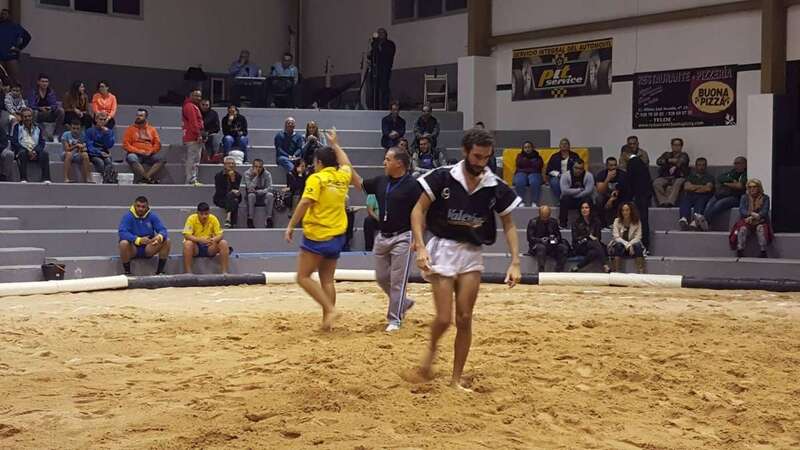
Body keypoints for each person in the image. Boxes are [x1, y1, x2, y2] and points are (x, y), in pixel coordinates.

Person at [408, 128, 522, 390]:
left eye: (486, 158)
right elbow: (418, 209)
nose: (481, 163)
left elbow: (509, 225)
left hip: (472, 252)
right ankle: (432, 349)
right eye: (477, 156)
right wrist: (420, 246)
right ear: (465, 152)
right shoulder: (442, 176)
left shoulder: (494, 186)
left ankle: (456, 379)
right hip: (443, 249)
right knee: (445, 318)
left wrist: (515, 261)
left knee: (465, 317)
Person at [284, 129, 361, 331]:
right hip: (337, 235)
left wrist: (291, 225)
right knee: (327, 279)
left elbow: (304, 203)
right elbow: (347, 164)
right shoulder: (342, 176)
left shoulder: (317, 179)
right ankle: (328, 321)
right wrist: (335, 144)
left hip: (318, 235)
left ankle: (329, 309)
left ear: (319, 163)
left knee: (302, 277)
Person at [361, 147, 420, 331]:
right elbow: (359, 182)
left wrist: (418, 239)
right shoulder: (381, 181)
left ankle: (394, 319)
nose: (384, 162)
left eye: (387, 159)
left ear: (399, 163)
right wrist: (340, 152)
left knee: (397, 280)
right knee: (381, 277)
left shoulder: (412, 185)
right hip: (383, 236)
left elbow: (420, 213)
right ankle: (403, 302)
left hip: (403, 236)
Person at [117, 196, 170, 275]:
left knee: (167, 241)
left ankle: (160, 272)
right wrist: (139, 240)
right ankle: (127, 272)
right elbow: (122, 232)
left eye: (143, 207)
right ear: (134, 206)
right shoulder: (128, 216)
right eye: (138, 206)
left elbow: (163, 230)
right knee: (123, 243)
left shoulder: (152, 216)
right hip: (133, 248)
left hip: (148, 248)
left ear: (147, 207)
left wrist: (159, 237)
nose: (140, 209)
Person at [695, 156, 747, 231]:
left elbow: (740, 186)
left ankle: (703, 222)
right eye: (735, 163)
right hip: (723, 194)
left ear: (744, 164)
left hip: (736, 197)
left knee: (719, 204)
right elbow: (720, 178)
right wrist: (731, 182)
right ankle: (704, 223)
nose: (736, 165)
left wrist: (726, 183)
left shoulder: (745, 174)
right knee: (709, 204)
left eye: (738, 163)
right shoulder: (732, 172)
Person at [182, 202, 231, 274]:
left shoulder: (213, 218)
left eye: (206, 214)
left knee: (224, 243)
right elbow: (186, 235)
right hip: (196, 247)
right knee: (188, 244)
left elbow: (220, 235)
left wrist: (213, 240)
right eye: (201, 214)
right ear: (197, 213)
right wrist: (200, 240)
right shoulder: (191, 218)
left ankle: (224, 273)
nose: (204, 216)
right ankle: (188, 273)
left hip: (210, 246)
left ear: (209, 213)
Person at [730, 179, 771, 258]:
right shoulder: (744, 197)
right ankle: (740, 250)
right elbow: (742, 210)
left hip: (760, 220)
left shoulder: (765, 198)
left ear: (759, 187)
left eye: (754, 187)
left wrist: (754, 216)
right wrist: (751, 214)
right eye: (750, 187)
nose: (752, 189)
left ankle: (763, 251)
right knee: (742, 229)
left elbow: (764, 211)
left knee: (761, 229)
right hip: (746, 220)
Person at [123, 108, 163, 184]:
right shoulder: (130, 129)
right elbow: (126, 145)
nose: (138, 117)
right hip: (136, 154)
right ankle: (148, 179)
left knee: (162, 159)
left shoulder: (152, 129)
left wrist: (151, 151)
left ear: (145, 117)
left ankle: (145, 178)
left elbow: (157, 144)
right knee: (131, 157)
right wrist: (139, 151)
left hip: (149, 154)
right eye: (137, 115)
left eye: (141, 116)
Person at [11, 107, 49, 183]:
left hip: (35, 152)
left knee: (45, 154)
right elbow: (14, 142)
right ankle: (23, 178)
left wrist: (35, 151)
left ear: (32, 117)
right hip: (22, 151)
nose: (27, 118)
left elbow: (42, 142)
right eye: (25, 116)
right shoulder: (17, 127)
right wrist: (27, 150)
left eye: (29, 116)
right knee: (22, 153)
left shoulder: (38, 128)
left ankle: (46, 178)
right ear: (22, 118)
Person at [571, 201, 610, 273]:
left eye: (586, 207)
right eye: (582, 208)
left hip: (593, 246)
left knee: (594, 251)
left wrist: (591, 238)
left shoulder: (596, 221)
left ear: (590, 209)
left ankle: (577, 267)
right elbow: (575, 239)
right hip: (580, 245)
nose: (584, 210)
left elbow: (598, 237)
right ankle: (605, 265)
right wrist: (588, 236)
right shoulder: (576, 222)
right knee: (595, 244)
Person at [527, 206, 568, 272]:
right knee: (541, 248)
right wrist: (540, 240)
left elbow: (559, 236)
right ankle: (541, 271)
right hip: (537, 245)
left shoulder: (553, 222)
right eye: (543, 217)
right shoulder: (533, 222)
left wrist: (555, 240)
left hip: (551, 245)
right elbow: (530, 238)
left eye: (547, 216)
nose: (545, 219)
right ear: (540, 214)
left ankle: (559, 270)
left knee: (563, 248)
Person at [608, 202, 646, 273]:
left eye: (627, 210)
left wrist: (630, 244)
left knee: (637, 245)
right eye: (623, 210)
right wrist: (627, 245)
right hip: (621, 246)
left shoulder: (637, 221)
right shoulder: (617, 221)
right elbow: (616, 237)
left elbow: (638, 237)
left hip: (633, 248)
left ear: (631, 211)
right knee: (618, 245)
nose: (625, 212)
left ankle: (641, 271)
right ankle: (616, 271)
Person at [678, 157, 715, 230]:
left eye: (703, 165)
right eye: (699, 165)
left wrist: (693, 188)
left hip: (703, 196)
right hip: (691, 196)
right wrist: (701, 187)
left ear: (706, 166)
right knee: (685, 200)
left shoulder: (709, 177)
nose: (701, 167)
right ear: (696, 166)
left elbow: (708, 188)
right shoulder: (691, 176)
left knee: (700, 200)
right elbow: (686, 187)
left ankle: (695, 221)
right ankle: (684, 219)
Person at [626, 154, 653, 250]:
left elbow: (629, 184)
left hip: (635, 198)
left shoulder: (631, 165)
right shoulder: (642, 166)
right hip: (644, 197)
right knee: (643, 220)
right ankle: (645, 245)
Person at [652, 138, 690, 207]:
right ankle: (663, 202)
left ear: (681, 146)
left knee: (677, 183)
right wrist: (669, 160)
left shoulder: (684, 155)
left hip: (678, 177)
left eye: (678, 145)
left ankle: (670, 202)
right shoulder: (666, 154)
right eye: (674, 145)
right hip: (665, 177)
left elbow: (682, 161)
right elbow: (659, 161)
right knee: (656, 183)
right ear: (671, 146)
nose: (676, 147)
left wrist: (675, 166)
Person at [27, 73, 64, 141]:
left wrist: (50, 108)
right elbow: (31, 105)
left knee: (61, 111)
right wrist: (40, 108)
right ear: (38, 82)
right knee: (33, 112)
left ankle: (55, 135)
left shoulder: (50, 92)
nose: (44, 83)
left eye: (46, 82)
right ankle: (33, 133)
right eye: (42, 81)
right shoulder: (34, 91)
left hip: (49, 113)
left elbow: (54, 104)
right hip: (38, 114)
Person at [558, 160, 595, 228]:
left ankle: (587, 223)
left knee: (588, 199)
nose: (578, 170)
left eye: (581, 168)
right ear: (572, 167)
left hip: (582, 199)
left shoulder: (589, 176)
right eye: (576, 168)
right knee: (564, 198)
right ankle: (563, 224)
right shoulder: (565, 175)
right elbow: (564, 191)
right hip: (570, 200)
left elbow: (588, 191)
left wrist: (574, 194)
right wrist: (579, 190)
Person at [594, 156, 629, 227]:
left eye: (615, 165)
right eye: (611, 165)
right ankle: (603, 224)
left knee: (622, 201)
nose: (613, 167)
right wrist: (607, 179)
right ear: (606, 166)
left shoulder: (622, 175)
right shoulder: (601, 174)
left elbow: (621, 190)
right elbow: (600, 190)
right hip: (606, 195)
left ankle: (619, 223)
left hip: (620, 196)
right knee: (598, 199)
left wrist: (611, 200)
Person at [0, 9, 30, 85]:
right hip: (0, 57)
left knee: (14, 80)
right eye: (2, 14)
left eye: (5, 14)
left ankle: (16, 96)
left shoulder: (15, 26)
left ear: (9, 15)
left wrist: (19, 48)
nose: (3, 15)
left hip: (11, 57)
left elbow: (27, 37)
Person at [244, 158, 275, 228]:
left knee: (270, 195)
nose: (258, 169)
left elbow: (270, 188)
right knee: (251, 195)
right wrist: (256, 176)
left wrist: (259, 192)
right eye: (256, 166)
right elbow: (250, 188)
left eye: (260, 167)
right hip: (251, 196)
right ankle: (250, 219)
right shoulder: (247, 173)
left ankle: (269, 219)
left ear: (263, 167)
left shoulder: (267, 174)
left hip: (263, 195)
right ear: (252, 166)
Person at [182, 89, 204, 186]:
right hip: (193, 136)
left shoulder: (192, 106)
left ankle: (192, 179)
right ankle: (191, 180)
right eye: (196, 96)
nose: (198, 98)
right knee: (193, 159)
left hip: (192, 135)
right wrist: (198, 134)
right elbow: (193, 122)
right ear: (190, 95)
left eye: (199, 96)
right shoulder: (190, 106)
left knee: (195, 159)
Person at [214, 156, 243, 228]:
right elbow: (219, 191)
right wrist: (231, 192)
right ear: (224, 165)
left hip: (234, 196)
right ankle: (233, 223)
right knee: (235, 201)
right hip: (221, 198)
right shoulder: (218, 176)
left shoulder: (238, 176)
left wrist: (233, 180)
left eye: (233, 164)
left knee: (234, 197)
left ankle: (228, 218)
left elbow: (237, 190)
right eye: (229, 163)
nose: (231, 165)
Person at [512, 140, 544, 207]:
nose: (527, 149)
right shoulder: (519, 156)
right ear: (523, 149)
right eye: (525, 147)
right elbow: (520, 164)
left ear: (532, 148)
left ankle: (534, 202)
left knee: (534, 181)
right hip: (522, 173)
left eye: (529, 147)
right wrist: (531, 164)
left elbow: (538, 165)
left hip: (534, 173)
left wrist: (526, 164)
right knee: (519, 181)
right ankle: (520, 202)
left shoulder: (538, 156)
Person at [371, 28, 396, 109]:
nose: (379, 35)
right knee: (375, 87)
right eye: (379, 33)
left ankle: (385, 106)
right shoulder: (375, 44)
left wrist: (380, 48)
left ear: (385, 34)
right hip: (376, 69)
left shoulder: (390, 44)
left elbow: (389, 54)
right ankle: (376, 106)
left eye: (381, 33)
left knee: (384, 87)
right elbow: (373, 55)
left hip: (385, 68)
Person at [84, 111, 115, 177]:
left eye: (104, 119)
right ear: (96, 119)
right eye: (100, 119)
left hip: (105, 153)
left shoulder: (109, 132)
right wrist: (99, 152)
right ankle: (106, 178)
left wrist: (106, 135)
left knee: (108, 161)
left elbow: (109, 145)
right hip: (93, 154)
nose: (102, 121)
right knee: (100, 163)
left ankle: (107, 179)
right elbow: (89, 146)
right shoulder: (89, 131)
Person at [60, 119, 90, 183]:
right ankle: (66, 178)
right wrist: (76, 145)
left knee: (85, 155)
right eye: (73, 128)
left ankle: (87, 178)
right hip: (66, 154)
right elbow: (66, 149)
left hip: (77, 154)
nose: (75, 130)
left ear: (80, 129)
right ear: (70, 128)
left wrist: (83, 148)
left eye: (77, 129)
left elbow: (85, 147)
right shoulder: (66, 134)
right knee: (69, 154)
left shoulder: (82, 135)